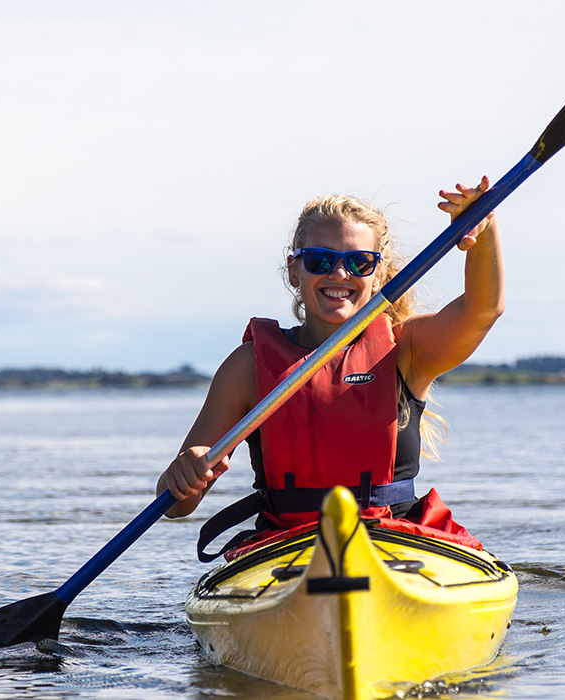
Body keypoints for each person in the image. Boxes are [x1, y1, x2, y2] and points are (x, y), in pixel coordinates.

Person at [157, 177, 503, 560]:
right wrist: (185, 472)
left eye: (358, 262)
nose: (339, 274)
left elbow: (483, 310)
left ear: (379, 276)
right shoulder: (247, 367)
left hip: (398, 540)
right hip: (286, 547)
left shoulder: (408, 351)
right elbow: (175, 505)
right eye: (321, 260)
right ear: (294, 271)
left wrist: (484, 230)